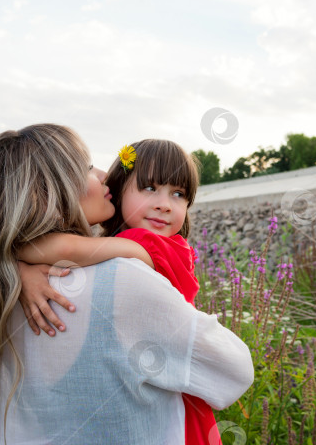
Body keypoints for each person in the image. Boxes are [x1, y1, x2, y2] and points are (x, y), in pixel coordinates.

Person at [0, 124, 254, 445]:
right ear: (52, 191)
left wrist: (12, 261)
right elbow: (234, 370)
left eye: (178, 194)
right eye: (88, 167)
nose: (106, 175)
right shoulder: (127, 277)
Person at [17, 139, 223, 444]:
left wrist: (17, 265)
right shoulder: (142, 245)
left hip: (165, 389)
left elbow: (48, 246)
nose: (165, 204)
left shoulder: (149, 246)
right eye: (150, 188)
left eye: (178, 194)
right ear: (118, 187)